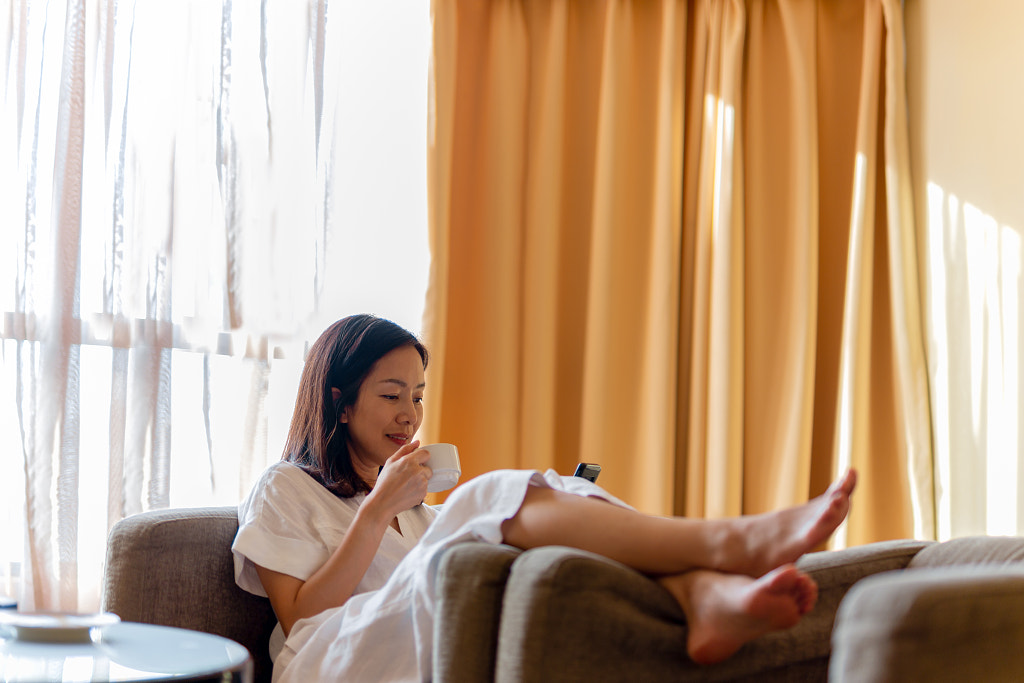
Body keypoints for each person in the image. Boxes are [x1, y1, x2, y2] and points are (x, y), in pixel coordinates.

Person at [232, 314, 857, 682]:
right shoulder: (286, 487)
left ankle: (705, 594)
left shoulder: (416, 508)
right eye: (392, 395)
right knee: (487, 498)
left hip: (414, 631)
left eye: (419, 396)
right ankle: (728, 544)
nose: (410, 416)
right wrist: (376, 511)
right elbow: (300, 616)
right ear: (339, 402)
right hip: (329, 661)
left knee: (567, 486)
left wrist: (407, 507)